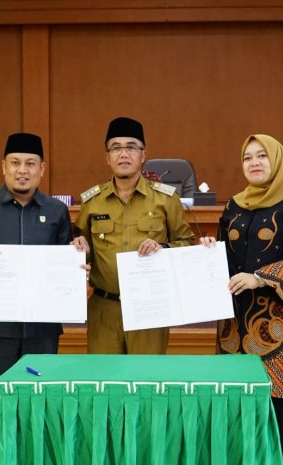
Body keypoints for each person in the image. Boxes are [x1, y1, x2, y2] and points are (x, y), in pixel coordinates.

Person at [0, 132, 87, 460]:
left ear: (42, 169)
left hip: (42, 329)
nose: (22, 170)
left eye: (30, 163)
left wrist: (76, 267)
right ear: (3, 167)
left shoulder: (56, 211)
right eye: (15, 163)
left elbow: (63, 260)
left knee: (39, 404)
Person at [202, 134, 283, 464]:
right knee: (236, 402)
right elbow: (224, 255)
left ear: (278, 160)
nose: (254, 162)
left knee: (280, 409)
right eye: (247, 157)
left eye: (262, 156)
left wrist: (259, 278)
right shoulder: (234, 205)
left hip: (282, 326)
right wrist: (208, 250)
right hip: (234, 325)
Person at [73, 116, 196, 354]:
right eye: (115, 148)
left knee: (146, 374)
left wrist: (163, 249)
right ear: (107, 158)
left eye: (131, 147)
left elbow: (187, 245)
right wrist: (81, 250)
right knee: (104, 375)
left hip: (149, 307)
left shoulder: (165, 199)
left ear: (143, 155)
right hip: (104, 308)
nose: (123, 154)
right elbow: (82, 251)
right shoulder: (92, 201)